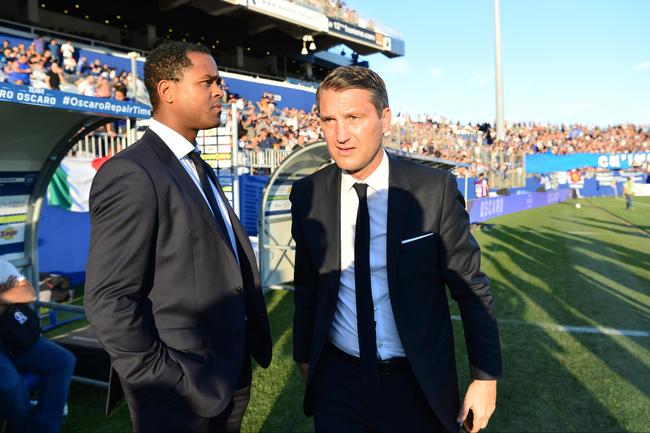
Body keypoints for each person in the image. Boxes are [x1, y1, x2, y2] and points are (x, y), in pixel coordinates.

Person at [290, 66, 502, 433]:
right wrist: (304, 356)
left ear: (384, 118)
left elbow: (470, 287)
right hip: (338, 382)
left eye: (354, 118)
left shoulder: (433, 190)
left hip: (416, 381)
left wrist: (485, 377)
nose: (340, 135)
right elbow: (308, 285)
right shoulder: (307, 193)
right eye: (329, 120)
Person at [84, 41, 272, 433]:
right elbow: (109, 300)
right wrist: (165, 380)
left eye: (219, 82)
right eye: (208, 82)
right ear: (167, 91)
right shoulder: (133, 173)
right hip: (180, 389)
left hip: (225, 372)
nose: (220, 92)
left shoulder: (194, 164)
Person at [0, 259, 76, 433]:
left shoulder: (1, 265)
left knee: (63, 361)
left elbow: (28, 293)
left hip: (13, 334)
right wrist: (8, 297)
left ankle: (46, 428)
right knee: (11, 386)